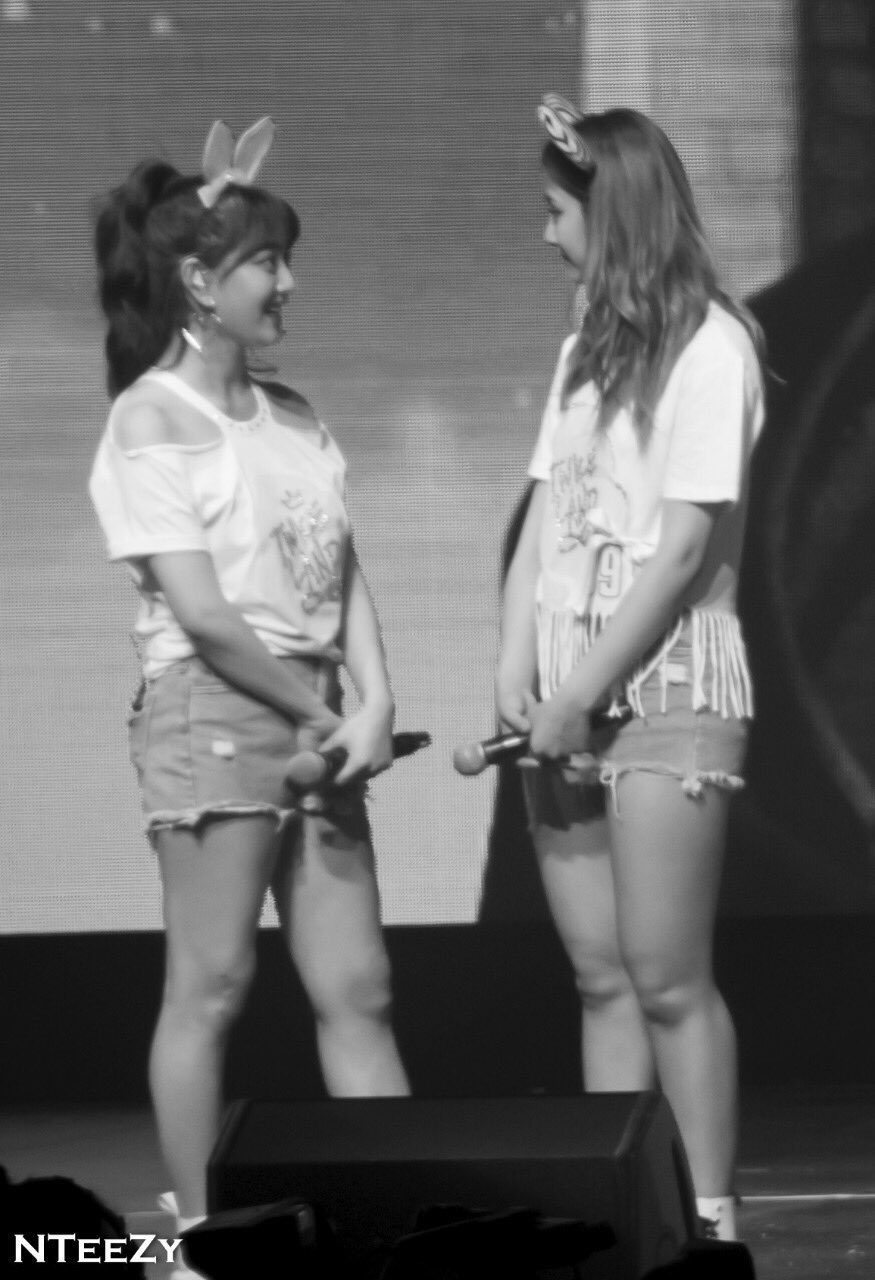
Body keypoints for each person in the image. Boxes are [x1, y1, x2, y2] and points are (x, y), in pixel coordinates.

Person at [88, 117, 410, 1269]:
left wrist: (373, 698)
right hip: (217, 710)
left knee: (358, 986)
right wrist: (324, 714)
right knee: (211, 983)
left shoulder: (296, 415)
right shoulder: (149, 418)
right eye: (267, 261)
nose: (287, 283)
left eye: (285, 260)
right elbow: (207, 613)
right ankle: (195, 1240)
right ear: (197, 280)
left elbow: (341, 566)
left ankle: (399, 1223)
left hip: (318, 711)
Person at [496, 96, 765, 1241]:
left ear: (611, 214)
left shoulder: (711, 346)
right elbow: (543, 518)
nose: (546, 234)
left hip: (660, 682)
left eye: (557, 212)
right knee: (600, 976)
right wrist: (515, 660)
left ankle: (707, 1221)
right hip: (564, 689)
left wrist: (576, 692)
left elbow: (680, 552)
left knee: (663, 974)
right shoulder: (580, 352)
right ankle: (620, 1214)